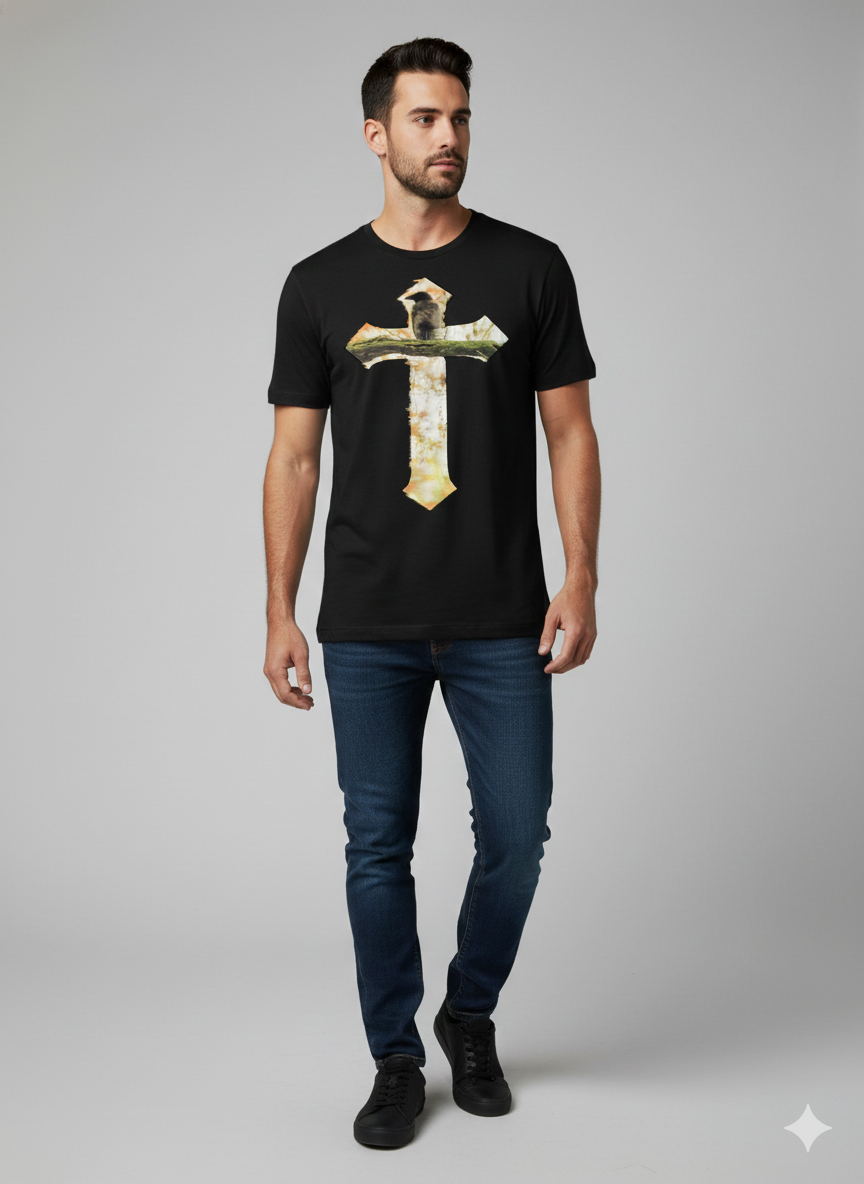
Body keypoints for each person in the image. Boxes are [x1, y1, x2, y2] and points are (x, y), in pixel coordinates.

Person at [262, 36, 600, 1149]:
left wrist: (581, 573)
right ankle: (396, 1059)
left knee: (517, 832)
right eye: (423, 118)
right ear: (377, 134)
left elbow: (570, 431)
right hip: (367, 620)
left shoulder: (531, 267)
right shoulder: (318, 285)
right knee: (376, 845)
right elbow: (294, 458)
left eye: (458, 117)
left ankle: (469, 1010)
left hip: (504, 612)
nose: (447, 136)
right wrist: (278, 608)